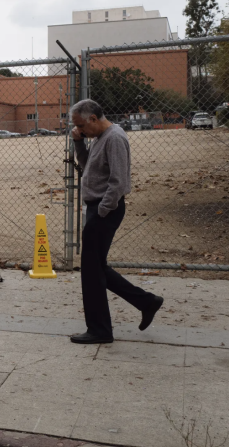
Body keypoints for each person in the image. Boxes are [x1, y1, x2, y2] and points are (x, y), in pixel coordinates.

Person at [70, 99, 163, 344]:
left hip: (105, 210)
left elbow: (119, 181)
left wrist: (102, 210)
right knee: (96, 268)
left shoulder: (114, 138)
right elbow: (86, 166)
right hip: (99, 208)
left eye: (80, 125)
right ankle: (146, 301)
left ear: (92, 118)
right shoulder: (99, 137)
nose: (79, 129)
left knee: (91, 272)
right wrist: (79, 142)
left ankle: (100, 330)